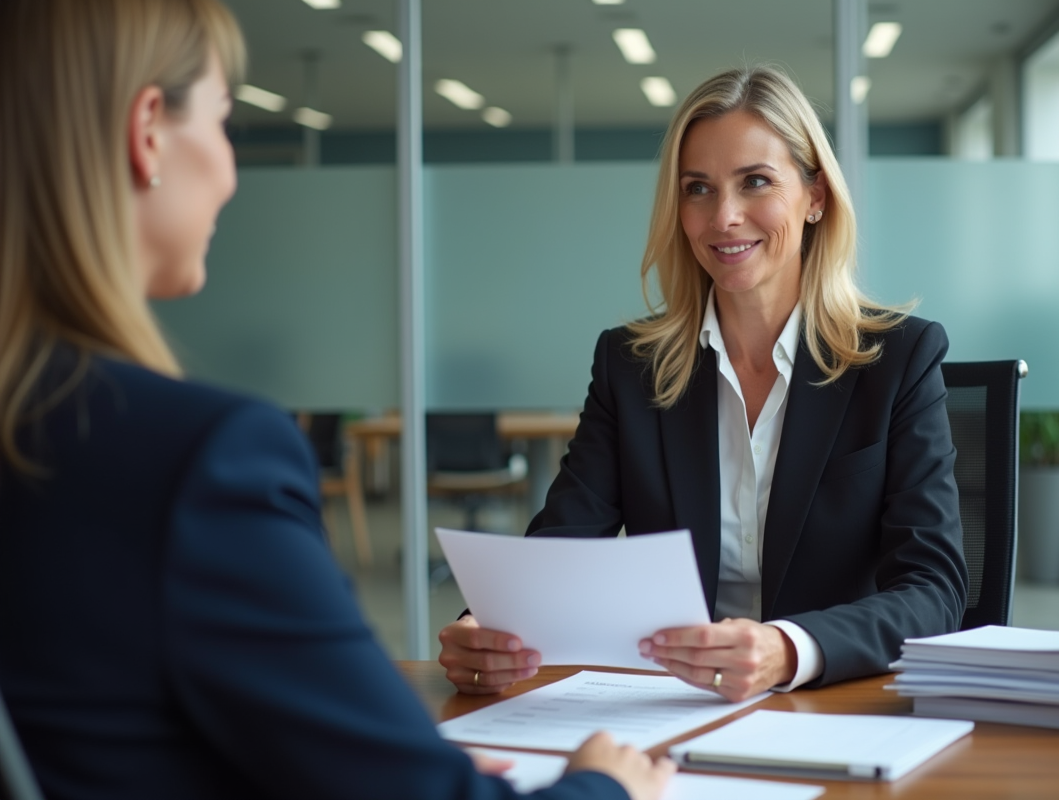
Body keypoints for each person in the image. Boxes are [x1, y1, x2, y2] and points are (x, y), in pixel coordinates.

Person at [0, 1, 676, 799]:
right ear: (148, 131)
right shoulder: (199, 460)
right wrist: (605, 786)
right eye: (222, 122)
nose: (231, 173)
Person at [438, 66, 969, 703]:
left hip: (834, 703)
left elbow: (933, 589)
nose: (724, 217)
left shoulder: (897, 359)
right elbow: (561, 550)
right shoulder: (631, 367)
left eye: (755, 182)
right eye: (698, 189)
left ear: (816, 197)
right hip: (673, 705)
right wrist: (486, 630)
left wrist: (786, 649)